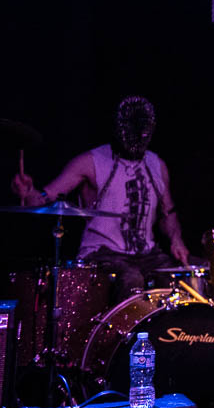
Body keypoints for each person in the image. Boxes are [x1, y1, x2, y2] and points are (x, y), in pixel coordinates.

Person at [12, 96, 194, 303]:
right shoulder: (90, 162)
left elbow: (168, 211)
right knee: (131, 278)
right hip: (102, 253)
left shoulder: (157, 164)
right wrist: (28, 193)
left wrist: (177, 239)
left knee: (186, 277)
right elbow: (44, 198)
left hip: (148, 255)